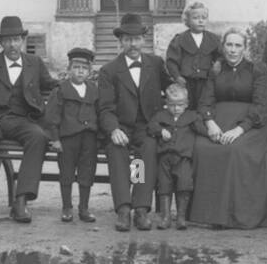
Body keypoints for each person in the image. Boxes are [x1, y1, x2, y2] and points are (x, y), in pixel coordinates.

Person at [189, 28, 267, 229]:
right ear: (223, 47)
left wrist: (240, 130)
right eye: (229, 44)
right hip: (219, 123)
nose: (233, 50)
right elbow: (205, 102)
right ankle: (210, 214)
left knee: (235, 150)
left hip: (252, 125)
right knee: (202, 148)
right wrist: (210, 124)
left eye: (238, 45)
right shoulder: (216, 69)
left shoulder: (258, 70)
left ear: (245, 48)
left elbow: (261, 106)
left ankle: (234, 215)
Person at [0, 15, 59, 224]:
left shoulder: (34, 63)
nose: (12, 45)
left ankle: (21, 200)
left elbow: (51, 86)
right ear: (1, 43)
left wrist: (75, 84)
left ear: (22, 40)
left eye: (16, 39)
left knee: (38, 138)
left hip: (22, 120)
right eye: (7, 40)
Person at [97, 12, 172, 232]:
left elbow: (172, 87)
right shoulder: (109, 70)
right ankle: (122, 209)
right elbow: (105, 107)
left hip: (146, 127)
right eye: (128, 39)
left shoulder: (156, 64)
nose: (133, 44)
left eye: (137, 39)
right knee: (118, 154)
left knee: (145, 154)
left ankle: (140, 209)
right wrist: (113, 129)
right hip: (121, 126)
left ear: (144, 40)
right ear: (120, 42)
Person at [45, 47, 101, 223]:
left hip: (89, 139)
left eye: (84, 68)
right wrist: (55, 138)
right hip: (67, 139)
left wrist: (99, 137)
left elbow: (99, 113)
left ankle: (84, 207)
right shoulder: (61, 90)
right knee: (66, 172)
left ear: (90, 72)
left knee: (87, 172)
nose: (80, 71)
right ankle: (67, 207)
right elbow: (52, 116)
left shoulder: (94, 90)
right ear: (69, 70)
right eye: (76, 68)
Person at [152, 82, 197, 230]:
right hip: (165, 158)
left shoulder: (192, 117)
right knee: (164, 185)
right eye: (172, 105)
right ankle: (165, 217)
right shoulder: (161, 116)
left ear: (186, 104)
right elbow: (151, 126)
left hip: (183, 158)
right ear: (167, 103)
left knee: (184, 183)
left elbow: (202, 129)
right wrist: (160, 131)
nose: (176, 108)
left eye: (180, 105)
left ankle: (181, 217)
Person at [164, 1, 220, 114]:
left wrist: (218, 63)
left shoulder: (213, 39)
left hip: (206, 81)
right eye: (195, 18)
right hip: (186, 82)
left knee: (204, 106)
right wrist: (177, 76)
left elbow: (220, 55)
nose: (200, 20)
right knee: (187, 107)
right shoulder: (180, 39)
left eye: (204, 18)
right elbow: (171, 61)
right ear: (187, 20)